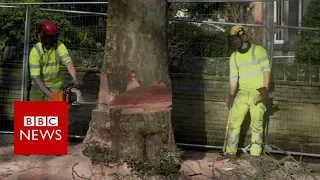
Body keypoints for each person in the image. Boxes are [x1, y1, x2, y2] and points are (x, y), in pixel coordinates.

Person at [222, 25, 271, 161]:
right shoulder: (234, 56)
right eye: (231, 39)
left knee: (257, 125)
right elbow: (233, 77)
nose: (233, 42)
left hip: (258, 92)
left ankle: (255, 155)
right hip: (242, 93)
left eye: (235, 38)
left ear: (243, 37)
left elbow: (266, 71)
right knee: (234, 123)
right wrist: (232, 95)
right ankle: (231, 153)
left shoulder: (259, 51)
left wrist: (265, 90)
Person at [28, 20, 79, 101]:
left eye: (53, 36)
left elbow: (68, 62)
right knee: (34, 112)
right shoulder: (35, 51)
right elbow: (35, 77)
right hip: (38, 85)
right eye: (50, 37)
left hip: (56, 85)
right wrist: (50, 95)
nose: (53, 39)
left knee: (55, 113)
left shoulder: (60, 45)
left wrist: (74, 77)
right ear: (42, 36)